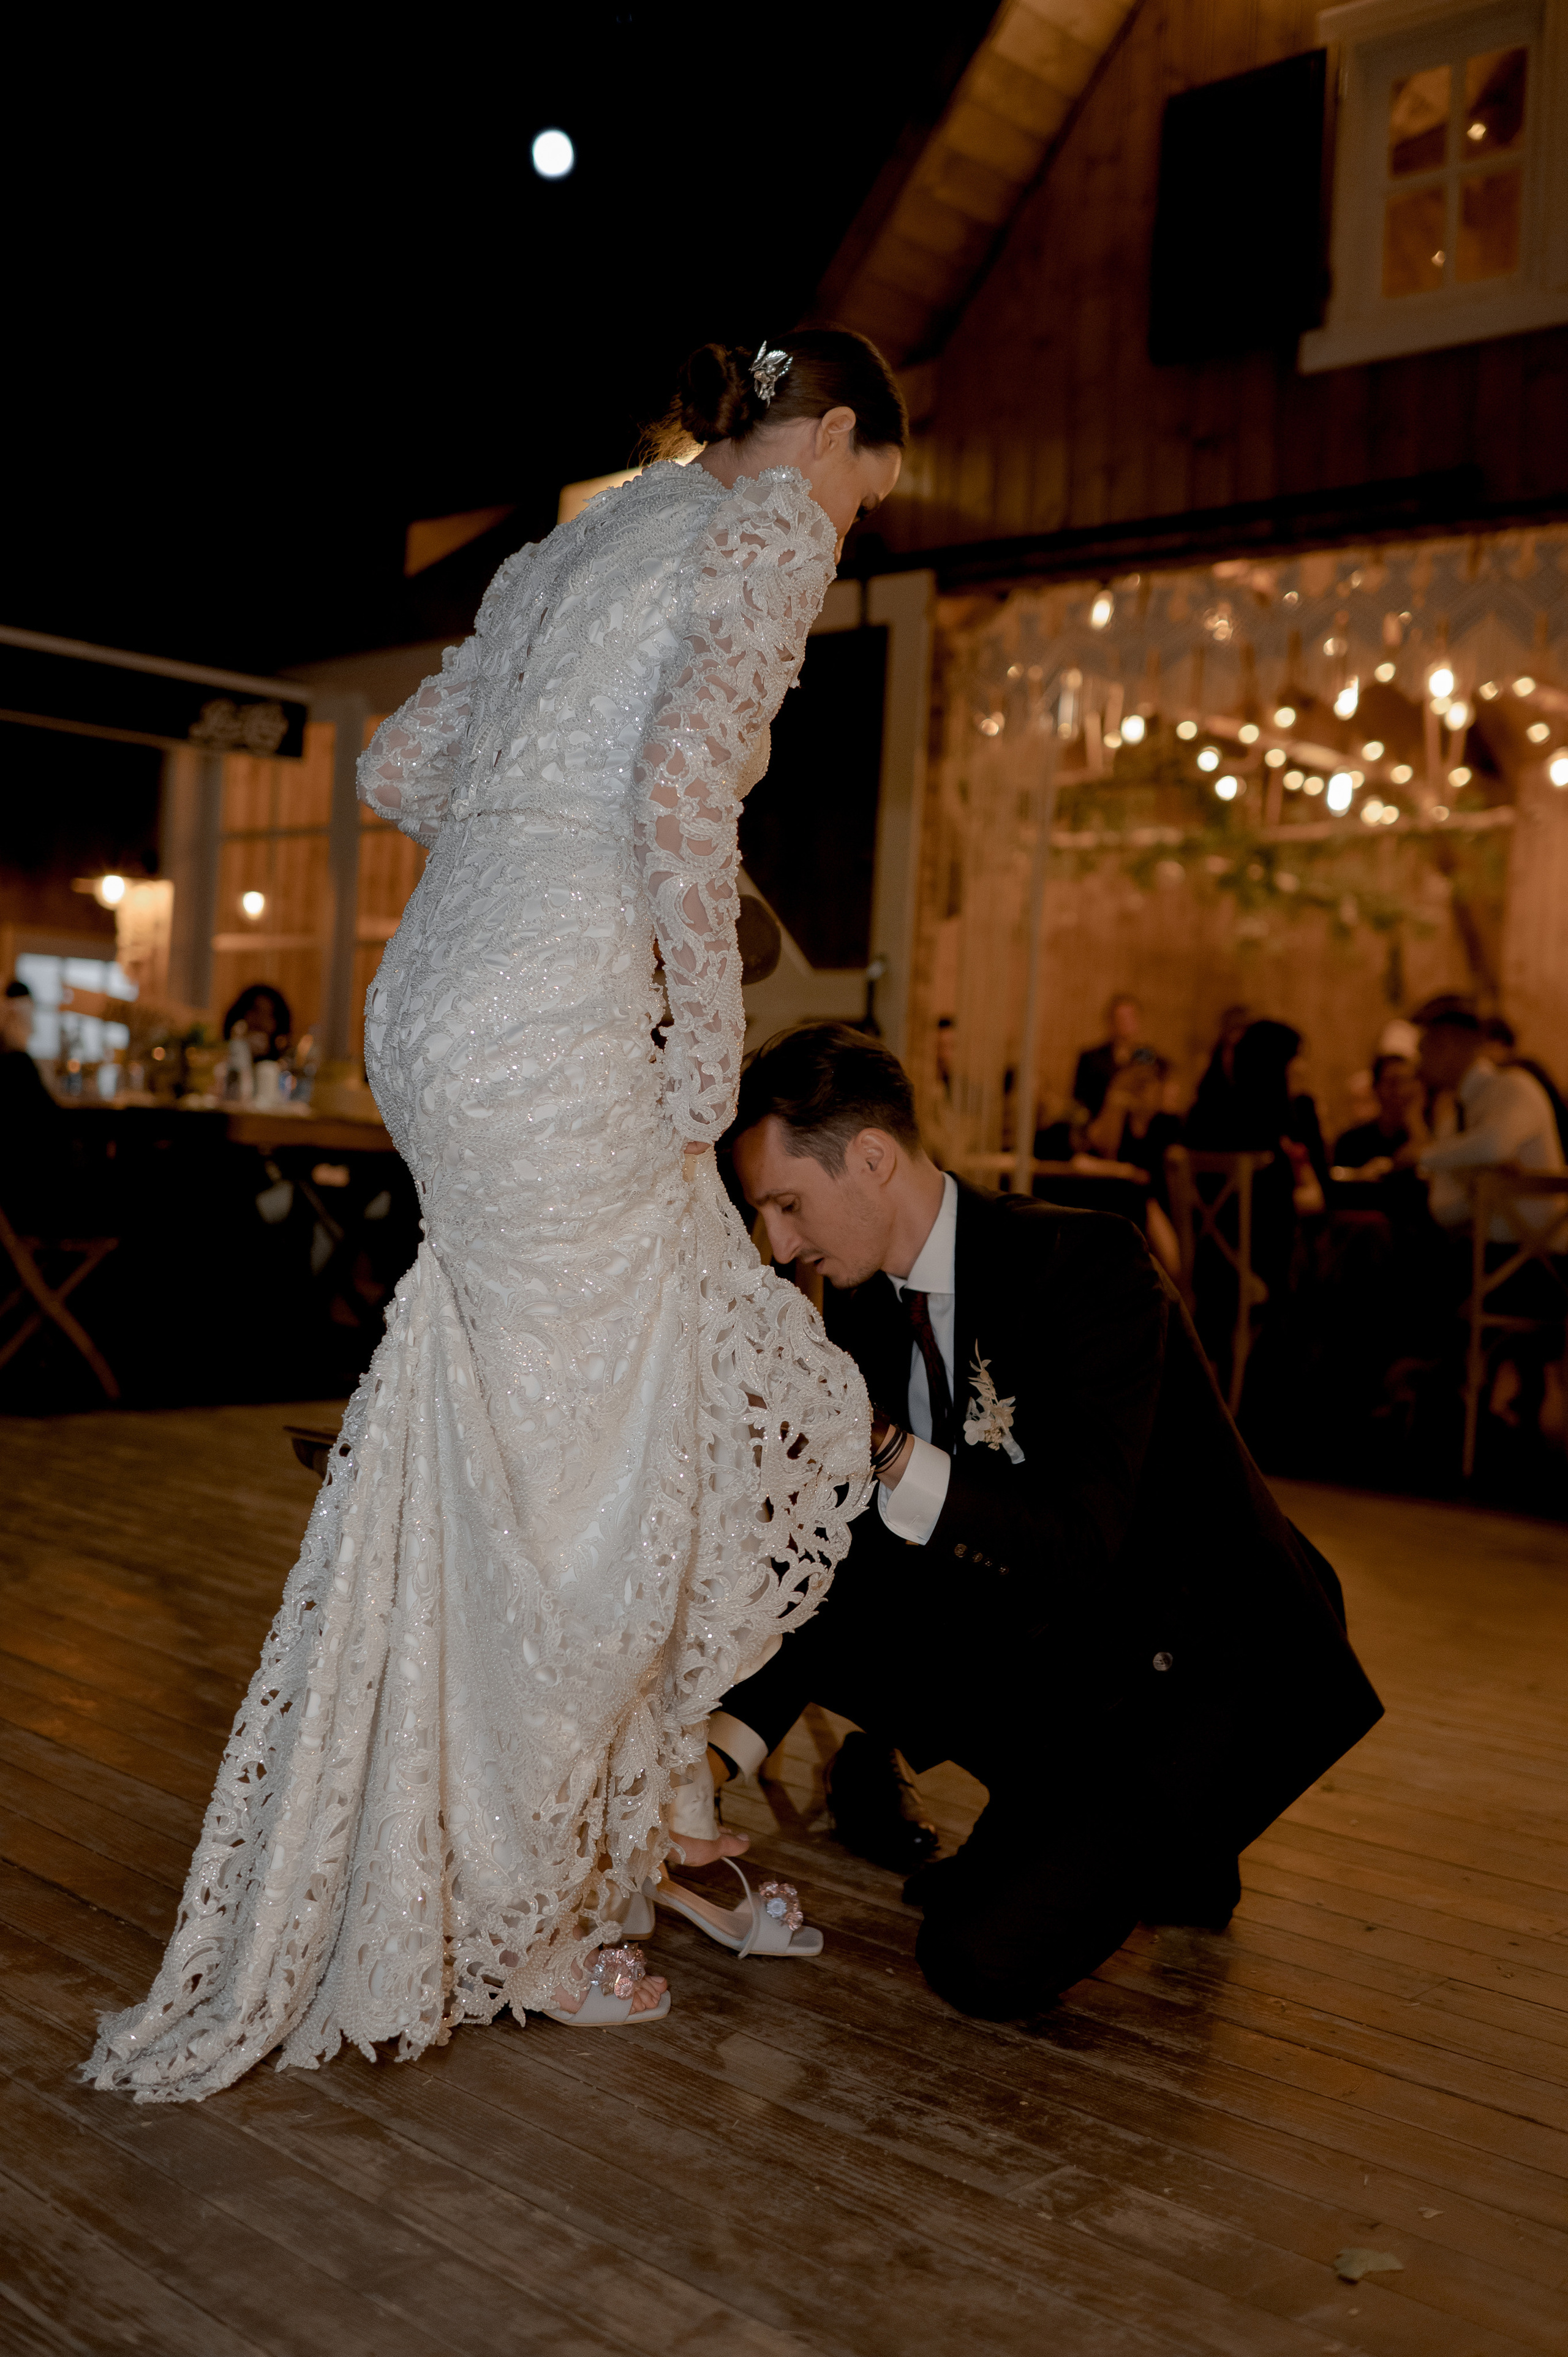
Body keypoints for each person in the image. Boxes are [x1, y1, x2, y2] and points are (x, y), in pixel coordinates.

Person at [87, 329, 905, 2100]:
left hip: (441, 982)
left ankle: (590, 1838)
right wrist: (705, 1045)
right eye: (865, 485)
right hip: (559, 996)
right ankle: (532, 1911)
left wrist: (539, 816)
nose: (852, 522)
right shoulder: (768, 529)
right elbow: (692, 791)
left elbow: (398, 770)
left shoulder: (582, 536)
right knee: (598, 1460)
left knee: (555, 1423)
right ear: (828, 436)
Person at [698, 1021, 1382, 2022]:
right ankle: (1108, 1841)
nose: (781, 1243)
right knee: (852, 1581)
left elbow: (1078, 1541)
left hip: (1189, 1663)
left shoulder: (1085, 1264)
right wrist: (714, 1756)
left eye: (788, 1205)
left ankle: (1167, 1829)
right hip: (1058, 1649)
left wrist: (884, 1445)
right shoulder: (866, 1308)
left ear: (873, 1158)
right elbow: (849, 1556)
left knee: (976, 1957)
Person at [1404, 1004, 1567, 1237]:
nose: (1419, 1065)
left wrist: (1424, 1156)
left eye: (1424, 1049)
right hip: (1482, 1254)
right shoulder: (1453, 1114)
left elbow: (1493, 1146)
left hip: (1535, 1256)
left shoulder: (1514, 1087)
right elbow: (1443, 1209)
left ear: (1448, 1046)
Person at [1332, 1053, 1420, 1175]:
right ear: (1376, 1088)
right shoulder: (1351, 1142)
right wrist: (1362, 1175)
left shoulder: (1428, 1135)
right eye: (1393, 1083)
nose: (1401, 1091)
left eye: (1407, 1082)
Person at [1072, 994, 1147, 1118]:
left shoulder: (1146, 1057)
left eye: (1130, 1018)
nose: (1125, 1024)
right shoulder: (1091, 1058)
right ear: (1110, 1022)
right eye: (1120, 1018)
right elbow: (1080, 1102)